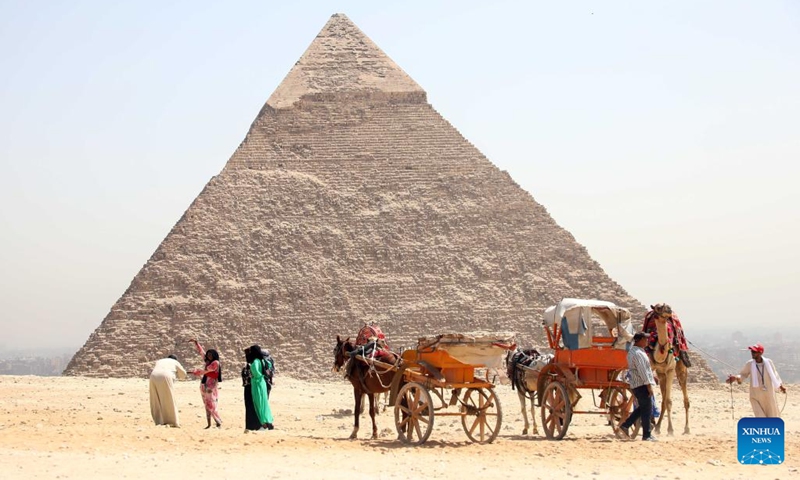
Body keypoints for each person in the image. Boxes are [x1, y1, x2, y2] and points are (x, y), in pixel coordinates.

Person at [727, 343, 787, 417]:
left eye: (754, 352)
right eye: (752, 352)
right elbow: (743, 374)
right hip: (755, 395)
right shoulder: (750, 364)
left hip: (768, 394)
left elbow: (775, 375)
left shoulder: (769, 362)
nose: (752, 353)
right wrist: (736, 378)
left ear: (760, 352)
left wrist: (781, 387)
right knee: (760, 417)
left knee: (772, 417)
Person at [619, 332, 658, 441]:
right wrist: (649, 386)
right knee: (647, 409)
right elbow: (642, 371)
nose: (647, 341)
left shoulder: (634, 352)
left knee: (643, 407)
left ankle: (626, 425)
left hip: (637, 384)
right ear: (640, 340)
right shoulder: (638, 354)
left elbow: (645, 369)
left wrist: (652, 377)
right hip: (641, 384)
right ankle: (646, 435)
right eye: (645, 339)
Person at [190, 339, 223, 429]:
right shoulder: (208, 362)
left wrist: (198, 372)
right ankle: (209, 424)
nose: (208, 356)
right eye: (208, 355)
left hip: (210, 387)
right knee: (206, 405)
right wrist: (196, 343)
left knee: (211, 404)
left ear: (214, 356)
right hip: (204, 385)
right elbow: (202, 353)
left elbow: (208, 371)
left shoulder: (216, 363)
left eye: (210, 355)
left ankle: (218, 421)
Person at [149, 354, 187, 427]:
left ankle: (158, 421)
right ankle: (172, 421)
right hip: (166, 375)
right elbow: (183, 374)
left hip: (153, 376)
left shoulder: (160, 361)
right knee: (169, 398)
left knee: (156, 399)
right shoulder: (175, 362)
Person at [249, 344, 274, 430]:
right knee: (264, 403)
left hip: (257, 383)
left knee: (259, 404)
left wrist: (255, 377)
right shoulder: (262, 360)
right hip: (262, 382)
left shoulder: (255, 361)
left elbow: (256, 372)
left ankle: (264, 424)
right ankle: (268, 421)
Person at [241, 347, 262, 431]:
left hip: (252, 387)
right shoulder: (249, 364)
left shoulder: (254, 364)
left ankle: (254, 425)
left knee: (253, 406)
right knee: (250, 406)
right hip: (248, 387)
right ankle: (251, 426)